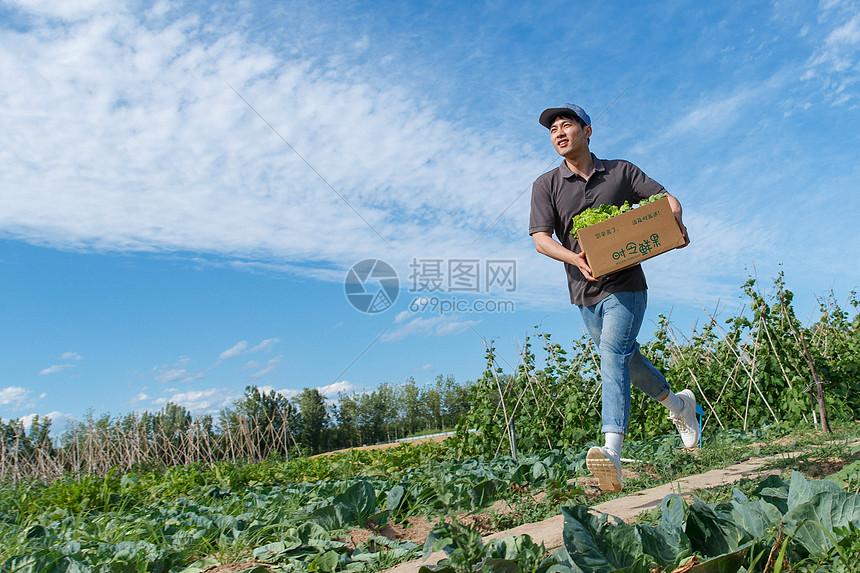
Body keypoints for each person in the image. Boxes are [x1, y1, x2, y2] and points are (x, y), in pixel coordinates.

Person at [528, 103, 700, 492]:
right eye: (552, 129)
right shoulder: (546, 185)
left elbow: (666, 199)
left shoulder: (620, 172)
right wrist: (574, 257)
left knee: (611, 354)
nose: (558, 132)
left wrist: (676, 220)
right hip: (583, 289)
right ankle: (680, 406)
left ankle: (612, 453)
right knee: (626, 358)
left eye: (566, 124)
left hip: (626, 285)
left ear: (587, 131)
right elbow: (541, 240)